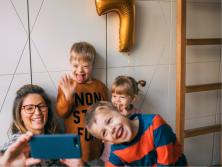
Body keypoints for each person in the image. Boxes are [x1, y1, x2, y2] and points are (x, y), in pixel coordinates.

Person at [85, 101, 188, 166]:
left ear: (119, 110)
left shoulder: (155, 124)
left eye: (109, 121)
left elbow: (166, 164)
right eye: (104, 133)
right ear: (106, 141)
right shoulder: (117, 152)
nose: (111, 130)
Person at [56, 41, 108, 164]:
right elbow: (61, 113)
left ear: (92, 66)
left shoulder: (100, 86)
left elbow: (107, 112)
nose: (80, 70)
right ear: (70, 64)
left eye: (85, 66)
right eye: (75, 66)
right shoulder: (66, 85)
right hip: (74, 148)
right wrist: (68, 96)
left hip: (96, 147)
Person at [0, 84, 69, 166]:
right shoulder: (15, 145)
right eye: (29, 108)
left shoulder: (59, 140)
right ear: (19, 114)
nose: (37, 112)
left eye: (42, 106)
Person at [101, 75, 146, 162]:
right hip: (110, 156)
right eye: (114, 96)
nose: (117, 100)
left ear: (133, 99)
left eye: (122, 97)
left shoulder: (137, 115)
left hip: (129, 157)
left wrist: (125, 117)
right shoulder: (109, 112)